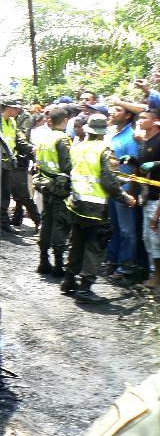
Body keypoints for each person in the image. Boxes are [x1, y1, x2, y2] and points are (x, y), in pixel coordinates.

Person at [63, 114, 137, 303]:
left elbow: (86, 172)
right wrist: (124, 197)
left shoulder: (78, 147)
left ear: (88, 130)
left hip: (76, 203)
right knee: (95, 246)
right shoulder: (105, 150)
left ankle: (69, 281)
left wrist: (118, 179)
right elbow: (107, 181)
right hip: (95, 208)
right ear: (104, 132)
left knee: (77, 243)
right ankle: (85, 290)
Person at [34, 106, 72, 276]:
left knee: (46, 221)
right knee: (60, 223)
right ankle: (58, 265)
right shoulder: (62, 139)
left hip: (45, 184)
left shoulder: (44, 138)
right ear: (64, 121)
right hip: (59, 188)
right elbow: (67, 166)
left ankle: (43, 260)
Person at [105, 104, 140, 280]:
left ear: (127, 116)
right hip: (112, 188)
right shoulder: (111, 134)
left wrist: (131, 194)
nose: (112, 112)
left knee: (127, 230)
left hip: (125, 190)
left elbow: (134, 167)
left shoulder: (131, 137)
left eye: (117, 110)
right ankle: (112, 260)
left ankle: (125, 266)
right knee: (114, 227)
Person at [0, 96, 40, 232]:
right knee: (5, 194)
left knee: (7, 195)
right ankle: (2, 223)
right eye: (15, 108)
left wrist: (31, 148)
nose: (18, 110)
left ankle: (4, 224)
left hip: (8, 163)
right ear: (8, 108)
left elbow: (19, 139)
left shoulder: (12, 122)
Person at [134, 109, 160, 289]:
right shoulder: (144, 141)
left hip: (157, 198)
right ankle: (153, 275)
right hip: (146, 196)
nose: (140, 120)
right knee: (147, 238)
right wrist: (132, 162)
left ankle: (157, 279)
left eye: (145, 117)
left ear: (156, 121)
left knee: (156, 239)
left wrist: (157, 164)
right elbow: (143, 168)